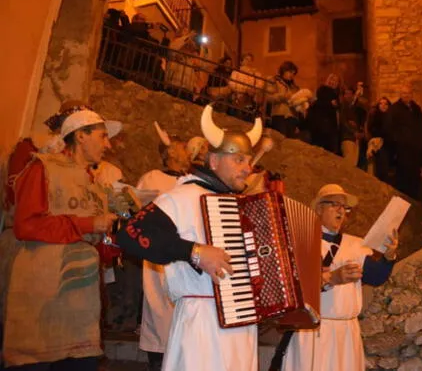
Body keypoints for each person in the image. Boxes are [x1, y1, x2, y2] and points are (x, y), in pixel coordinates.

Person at [115, 105, 264, 371]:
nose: (247, 168)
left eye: (248, 161)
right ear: (214, 161)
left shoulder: (242, 206)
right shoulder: (181, 196)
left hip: (243, 324)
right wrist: (194, 251)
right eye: (238, 159)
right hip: (201, 323)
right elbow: (130, 234)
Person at [3, 105, 121, 370]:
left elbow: (95, 239)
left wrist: (112, 242)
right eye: (103, 136)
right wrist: (89, 223)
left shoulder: (95, 184)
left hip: (81, 307)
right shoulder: (42, 168)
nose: (109, 145)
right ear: (80, 136)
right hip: (41, 299)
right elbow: (26, 226)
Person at [281, 184, 398, 371]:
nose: (340, 210)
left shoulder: (356, 244)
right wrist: (331, 278)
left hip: (347, 331)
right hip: (314, 331)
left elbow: (376, 277)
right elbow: (296, 287)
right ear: (319, 209)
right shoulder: (302, 241)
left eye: (344, 207)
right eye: (334, 204)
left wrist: (389, 257)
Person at [136, 124, 191, 371]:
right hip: (158, 254)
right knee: (158, 309)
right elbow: (137, 211)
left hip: (186, 255)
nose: (187, 150)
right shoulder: (152, 178)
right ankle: (157, 363)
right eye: (182, 146)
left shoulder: (191, 181)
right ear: (169, 152)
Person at [387, 84, 422, 199]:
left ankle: (415, 200)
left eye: (409, 93)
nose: (406, 95)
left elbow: (421, 127)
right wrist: (398, 141)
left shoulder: (416, 109)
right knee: (403, 177)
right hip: (402, 150)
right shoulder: (394, 109)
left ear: (412, 94)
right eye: (404, 93)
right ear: (401, 95)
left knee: (415, 177)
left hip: (416, 150)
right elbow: (390, 128)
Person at [306, 79, 340, 155]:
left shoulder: (317, 103)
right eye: (331, 79)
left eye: (335, 80)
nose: (332, 81)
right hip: (324, 130)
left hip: (321, 130)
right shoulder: (329, 102)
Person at [268, 61, 300, 138]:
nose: (292, 75)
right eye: (290, 72)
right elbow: (268, 97)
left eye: (293, 73)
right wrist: (283, 96)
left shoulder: (295, 87)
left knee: (290, 145)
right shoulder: (274, 81)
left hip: (292, 117)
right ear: (283, 70)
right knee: (280, 141)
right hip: (279, 115)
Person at [228, 53, 264, 121]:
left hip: (251, 99)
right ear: (242, 61)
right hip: (238, 99)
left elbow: (260, 84)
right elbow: (232, 84)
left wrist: (253, 90)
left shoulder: (255, 73)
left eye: (250, 60)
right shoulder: (236, 72)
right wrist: (246, 89)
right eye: (246, 59)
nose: (248, 61)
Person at [366, 97, 393, 182]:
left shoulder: (391, 118)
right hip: (379, 146)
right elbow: (371, 129)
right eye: (381, 103)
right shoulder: (375, 117)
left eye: (385, 103)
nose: (383, 106)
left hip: (389, 146)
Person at [339, 87, 366, 167]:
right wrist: (353, 132)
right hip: (347, 137)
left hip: (356, 138)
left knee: (354, 162)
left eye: (350, 94)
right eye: (346, 94)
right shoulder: (342, 107)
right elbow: (343, 122)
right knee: (349, 162)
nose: (348, 96)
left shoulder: (356, 107)